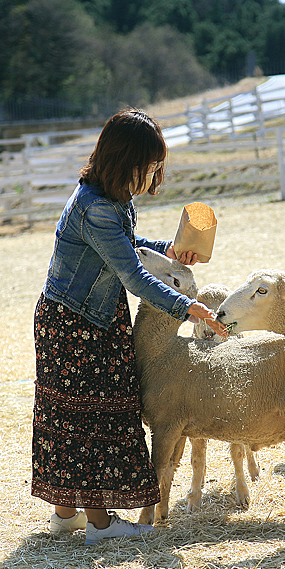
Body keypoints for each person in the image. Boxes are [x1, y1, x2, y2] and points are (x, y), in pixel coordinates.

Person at [31, 108, 225, 545]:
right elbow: (133, 276)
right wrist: (186, 307)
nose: (154, 177)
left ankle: (66, 515)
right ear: (126, 161)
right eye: (150, 167)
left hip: (81, 317)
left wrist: (170, 249)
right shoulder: (97, 208)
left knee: (68, 416)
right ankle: (100, 525)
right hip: (76, 323)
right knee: (89, 418)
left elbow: (129, 247)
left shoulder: (109, 197)